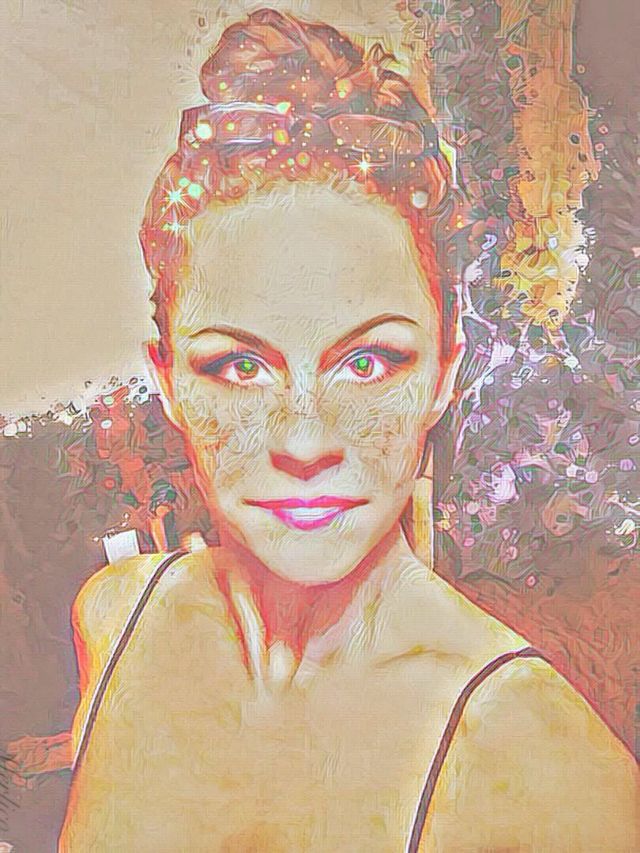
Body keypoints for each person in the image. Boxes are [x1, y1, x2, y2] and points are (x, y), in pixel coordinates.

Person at [58, 9, 637, 851]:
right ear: (168, 382)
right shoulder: (117, 618)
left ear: (444, 372)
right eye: (239, 366)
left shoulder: (542, 767)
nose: (304, 441)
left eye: (367, 362)